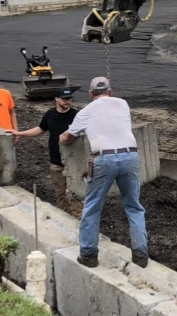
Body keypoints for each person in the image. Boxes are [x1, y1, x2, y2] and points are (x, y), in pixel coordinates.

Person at [60, 76, 148, 269]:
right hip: (130, 156)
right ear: (111, 91)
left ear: (91, 94)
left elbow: (67, 138)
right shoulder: (123, 104)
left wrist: (62, 136)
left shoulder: (86, 112)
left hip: (104, 159)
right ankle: (141, 256)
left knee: (92, 207)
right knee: (134, 206)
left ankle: (89, 255)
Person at [7, 86, 79, 215]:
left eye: (69, 99)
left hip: (74, 163)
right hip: (56, 163)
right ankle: (67, 218)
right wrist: (19, 133)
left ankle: (79, 221)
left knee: (77, 195)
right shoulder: (50, 115)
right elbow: (40, 129)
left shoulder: (77, 116)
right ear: (56, 99)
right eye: (64, 99)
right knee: (61, 195)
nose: (67, 102)